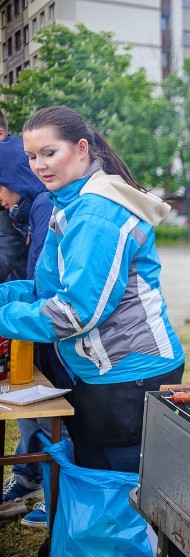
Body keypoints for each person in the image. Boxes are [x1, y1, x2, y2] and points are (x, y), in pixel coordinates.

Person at [0, 105, 185, 476]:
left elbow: (74, 313)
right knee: (96, 473)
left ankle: (129, 537)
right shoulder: (68, 203)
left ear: (81, 148)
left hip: (130, 373)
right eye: (32, 156)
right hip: (100, 370)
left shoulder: (96, 213)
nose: (39, 166)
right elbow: (46, 289)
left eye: (49, 153)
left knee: (122, 486)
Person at [0, 111, 69, 529]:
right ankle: (33, 479)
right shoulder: (36, 206)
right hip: (31, 321)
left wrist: (9, 313)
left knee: (50, 408)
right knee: (33, 402)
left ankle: (57, 497)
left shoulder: (47, 207)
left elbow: (49, 287)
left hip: (54, 333)